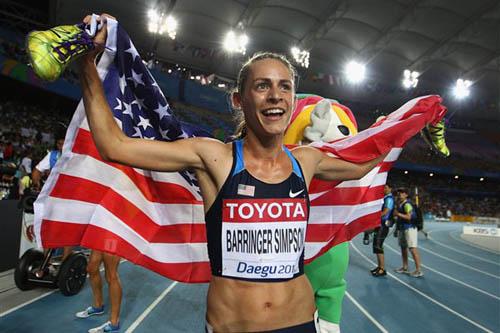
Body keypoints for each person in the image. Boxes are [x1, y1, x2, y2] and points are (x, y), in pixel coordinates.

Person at [76, 14, 386, 332]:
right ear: (239, 100)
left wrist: (396, 127)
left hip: (301, 322)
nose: (275, 95)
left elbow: (363, 165)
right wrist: (88, 65)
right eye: (262, 86)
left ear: (292, 103)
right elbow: (114, 146)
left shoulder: (307, 161)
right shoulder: (214, 157)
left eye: (284, 87)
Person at [76, 250, 122, 333]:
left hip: (113, 238)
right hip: (100, 237)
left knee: (111, 275)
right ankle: (98, 306)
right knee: (91, 269)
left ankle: (114, 322)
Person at [394, 188, 423, 277]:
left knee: (412, 249)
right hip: (402, 228)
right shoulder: (400, 204)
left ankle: (419, 270)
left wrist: (398, 214)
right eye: (399, 193)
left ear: (406, 194)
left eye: (402, 193)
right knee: (403, 248)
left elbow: (409, 217)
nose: (399, 194)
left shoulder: (407, 204)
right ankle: (405, 267)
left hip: (409, 229)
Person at [370, 184, 394, 277]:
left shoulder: (389, 199)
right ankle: (379, 267)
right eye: (383, 187)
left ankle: (382, 269)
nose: (384, 189)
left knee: (378, 246)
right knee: (376, 245)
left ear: (390, 188)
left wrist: (375, 216)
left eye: (386, 187)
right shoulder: (385, 198)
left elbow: (386, 211)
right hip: (380, 225)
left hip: (383, 225)